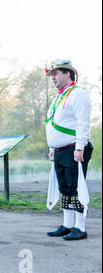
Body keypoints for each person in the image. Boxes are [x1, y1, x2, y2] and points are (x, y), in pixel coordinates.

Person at [45, 59, 93, 240]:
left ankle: (80, 227)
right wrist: (52, 146)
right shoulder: (60, 96)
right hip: (60, 150)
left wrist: (79, 148)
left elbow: (83, 123)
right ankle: (67, 224)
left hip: (74, 149)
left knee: (75, 188)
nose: (53, 78)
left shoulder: (78, 94)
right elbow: (53, 123)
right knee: (64, 188)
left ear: (68, 73)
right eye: (52, 75)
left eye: (56, 74)